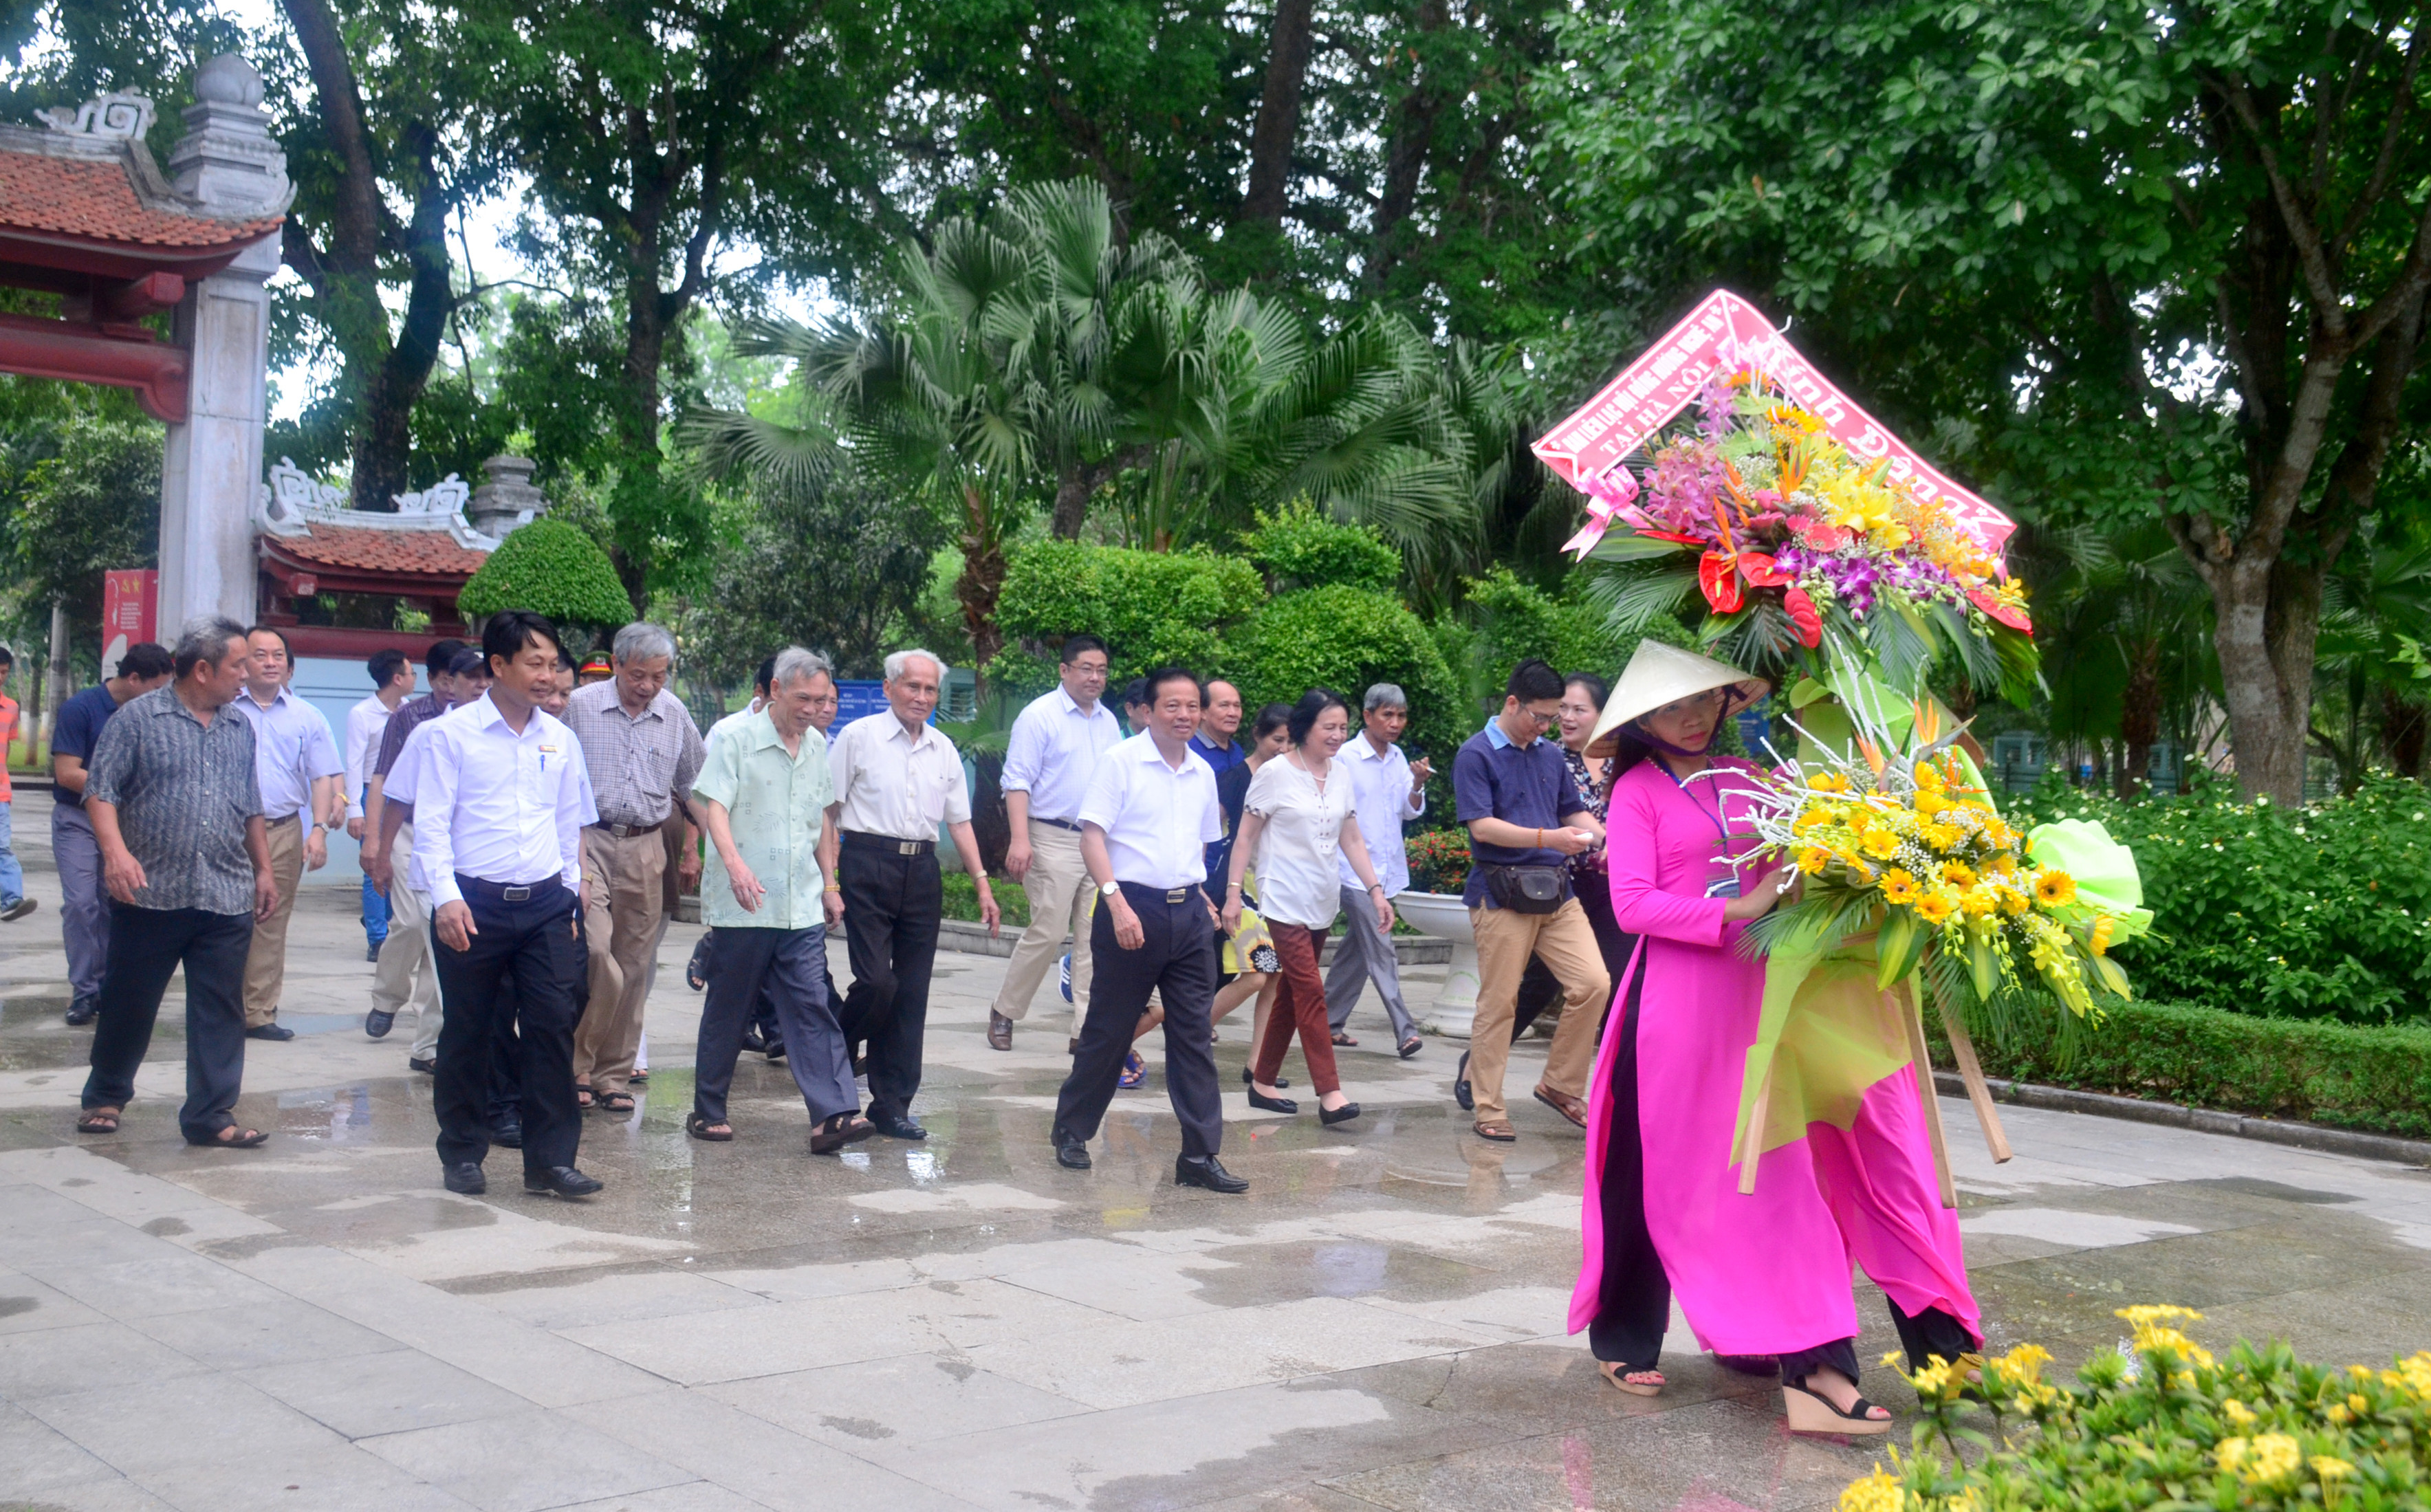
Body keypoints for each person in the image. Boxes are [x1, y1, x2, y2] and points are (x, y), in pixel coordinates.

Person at [1578, 640, 1979, 1431]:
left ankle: (1915, 1349)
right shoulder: (1635, 792)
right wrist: (1737, 909)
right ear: (1641, 722)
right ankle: (1627, 1337)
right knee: (1654, 1171)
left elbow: (1820, 851)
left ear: (1729, 701)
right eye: (1668, 708)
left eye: (1702, 701)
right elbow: (1632, 907)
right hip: (1679, 1006)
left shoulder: (1753, 778)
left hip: (1773, 999)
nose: (1689, 718)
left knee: (1804, 1167)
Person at [402, 611, 600, 1199]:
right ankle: (463, 1151)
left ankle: (550, 1162)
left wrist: (571, 893)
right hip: (472, 903)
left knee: (551, 1025)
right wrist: (445, 899)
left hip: (544, 902)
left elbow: (568, 825)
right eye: (533, 663)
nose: (547, 675)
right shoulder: (450, 735)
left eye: (552, 663)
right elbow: (432, 825)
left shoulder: (559, 738)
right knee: (470, 1030)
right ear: (497, 666)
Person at [75, 617, 281, 1147]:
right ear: (203, 668)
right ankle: (106, 1092)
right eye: (240, 664)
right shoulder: (138, 719)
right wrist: (115, 854)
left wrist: (263, 869)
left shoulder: (240, 727)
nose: (249, 673)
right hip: (151, 893)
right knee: (130, 1000)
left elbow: (251, 804)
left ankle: (210, 1115)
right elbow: (101, 792)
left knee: (219, 1008)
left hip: (224, 891)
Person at [1047, 666, 1241, 1192]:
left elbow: (1201, 843)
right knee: (1109, 1031)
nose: (1183, 715)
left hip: (1186, 916)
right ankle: (1071, 1129)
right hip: (1129, 909)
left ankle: (1199, 1155)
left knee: (1193, 1035)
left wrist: (1196, 891)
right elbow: (1092, 837)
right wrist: (1116, 901)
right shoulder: (1121, 761)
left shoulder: (1201, 771)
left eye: (1191, 706)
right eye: (1171, 706)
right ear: (1148, 711)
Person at [691, 647, 871, 1151]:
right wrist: (734, 865)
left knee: (812, 1004)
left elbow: (820, 821)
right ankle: (707, 1110)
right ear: (774, 690)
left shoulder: (816, 744)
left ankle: (832, 1116)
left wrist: (830, 885)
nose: (813, 709)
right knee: (730, 1006)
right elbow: (714, 808)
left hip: (801, 903)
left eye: (821, 699)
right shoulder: (734, 738)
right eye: (803, 698)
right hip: (744, 903)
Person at [829, 650, 998, 1140]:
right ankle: (833, 1039)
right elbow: (827, 811)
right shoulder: (857, 739)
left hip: (921, 869)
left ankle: (892, 1103)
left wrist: (982, 883)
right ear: (888, 688)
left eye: (929, 690)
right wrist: (830, 880)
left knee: (912, 992)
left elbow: (959, 821)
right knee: (878, 983)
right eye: (912, 687)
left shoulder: (942, 747)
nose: (921, 697)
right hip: (865, 862)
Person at [1453, 658, 1609, 1143]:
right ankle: (1489, 1106)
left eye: (1553, 717)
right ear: (1512, 702)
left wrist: (1605, 839)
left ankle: (1559, 1084)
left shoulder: (1548, 755)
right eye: (1539, 716)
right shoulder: (1475, 754)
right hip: (1501, 894)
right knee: (1499, 1003)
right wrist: (1550, 837)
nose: (1546, 726)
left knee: (1593, 983)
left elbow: (1572, 810)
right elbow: (1482, 827)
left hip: (1555, 891)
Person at [1223, 688, 1396, 1125]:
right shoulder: (1275, 773)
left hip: (1322, 896)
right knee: (1311, 990)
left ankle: (1262, 1083)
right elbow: (1244, 837)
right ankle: (1330, 1092)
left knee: (1289, 991)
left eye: (1343, 727)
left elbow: (1351, 837)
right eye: (1329, 728)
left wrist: (1375, 889)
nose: (1338, 736)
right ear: (1305, 729)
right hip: (1281, 894)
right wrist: (1230, 894)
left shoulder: (1340, 774)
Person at [564, 623, 704, 1114]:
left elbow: (692, 787)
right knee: (597, 950)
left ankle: (611, 1075)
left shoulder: (674, 714)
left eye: (659, 677)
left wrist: (711, 847)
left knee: (634, 965)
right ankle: (578, 1063)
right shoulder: (579, 707)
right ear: (617, 665)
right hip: (589, 840)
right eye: (638, 675)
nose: (647, 686)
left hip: (646, 847)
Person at [990, 634, 1119, 1051]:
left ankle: (1084, 1030)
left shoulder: (1109, 721)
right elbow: (1017, 781)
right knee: (1047, 930)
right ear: (1064, 670)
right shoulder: (1039, 715)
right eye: (1087, 668)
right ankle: (1005, 1011)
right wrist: (1020, 840)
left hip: (1097, 841)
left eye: (1101, 670)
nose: (1095, 677)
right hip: (1049, 837)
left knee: (1092, 937)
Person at [364, 644, 485, 1066]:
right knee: (416, 926)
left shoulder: (516, 734)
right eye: (472, 677)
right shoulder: (424, 729)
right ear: (450, 682)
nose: (481, 685)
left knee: (449, 943)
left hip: (469, 853)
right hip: (416, 839)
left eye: (489, 676)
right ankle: (389, 998)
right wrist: (377, 849)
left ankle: (429, 1046)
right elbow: (394, 791)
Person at [230, 626, 345, 1042]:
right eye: (261, 655)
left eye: (278, 655)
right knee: (221, 920)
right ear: (244, 662)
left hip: (282, 830)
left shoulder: (306, 716)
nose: (271, 662)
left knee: (269, 919)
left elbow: (322, 778)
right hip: (226, 832)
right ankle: (220, 1007)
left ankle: (257, 1012)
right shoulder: (227, 710)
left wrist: (318, 831)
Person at [50, 642, 175, 1026]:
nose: (161, 697)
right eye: (156, 688)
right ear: (133, 678)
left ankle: (111, 987)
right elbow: (67, 772)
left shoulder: (155, 715)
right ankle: (85, 990)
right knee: (82, 903)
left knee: (118, 904)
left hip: (128, 821)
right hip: (79, 818)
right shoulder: (82, 709)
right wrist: (121, 784)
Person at [1323, 683, 1432, 1058]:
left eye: (1400, 716)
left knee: (1358, 950)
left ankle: (1326, 1022)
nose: (1395, 723)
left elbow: (1409, 809)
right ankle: (1406, 1030)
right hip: (1353, 873)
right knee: (1382, 948)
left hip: (1386, 871)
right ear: (1368, 716)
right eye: (1387, 715)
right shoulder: (1346, 758)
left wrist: (1418, 783)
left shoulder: (1398, 756)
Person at [1208, 703, 1291, 1065]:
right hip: (1236, 886)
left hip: (1277, 888)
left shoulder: (1295, 779)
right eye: (1278, 740)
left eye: (1291, 741)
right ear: (1257, 734)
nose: (1285, 748)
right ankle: (1189, 1030)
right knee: (1258, 974)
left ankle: (1259, 1064)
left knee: (1273, 978)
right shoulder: (1234, 780)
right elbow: (1206, 834)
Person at [345, 648, 418, 961]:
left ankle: (390, 922)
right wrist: (355, 811)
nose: (416, 679)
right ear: (398, 678)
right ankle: (377, 937)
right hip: (370, 793)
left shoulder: (411, 711)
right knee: (373, 865)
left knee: (400, 865)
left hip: (404, 796)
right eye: (412, 673)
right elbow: (353, 763)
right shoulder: (362, 714)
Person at [0, 646, 30, 925]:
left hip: (0, 791)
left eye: (5, 673)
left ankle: (12, 899)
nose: (1, 677)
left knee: (2, 847)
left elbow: (6, 748)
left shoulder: (10, 707)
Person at [1188, 679, 1247, 777]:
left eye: (1237, 706)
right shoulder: (1187, 750)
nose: (1233, 713)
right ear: (1202, 712)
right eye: (1224, 705)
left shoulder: (1237, 750)